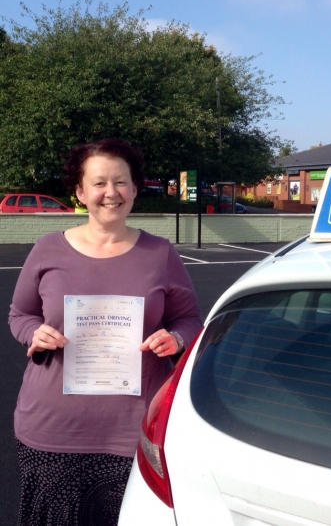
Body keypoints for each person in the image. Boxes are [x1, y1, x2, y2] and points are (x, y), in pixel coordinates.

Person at [9, 138, 202, 525]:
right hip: (52, 428)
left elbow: (189, 320)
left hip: (132, 430)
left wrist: (176, 339)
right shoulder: (47, 249)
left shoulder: (161, 254)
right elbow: (19, 314)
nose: (110, 193)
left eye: (121, 182)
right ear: (79, 192)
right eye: (98, 183)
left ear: (134, 189)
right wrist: (35, 333)